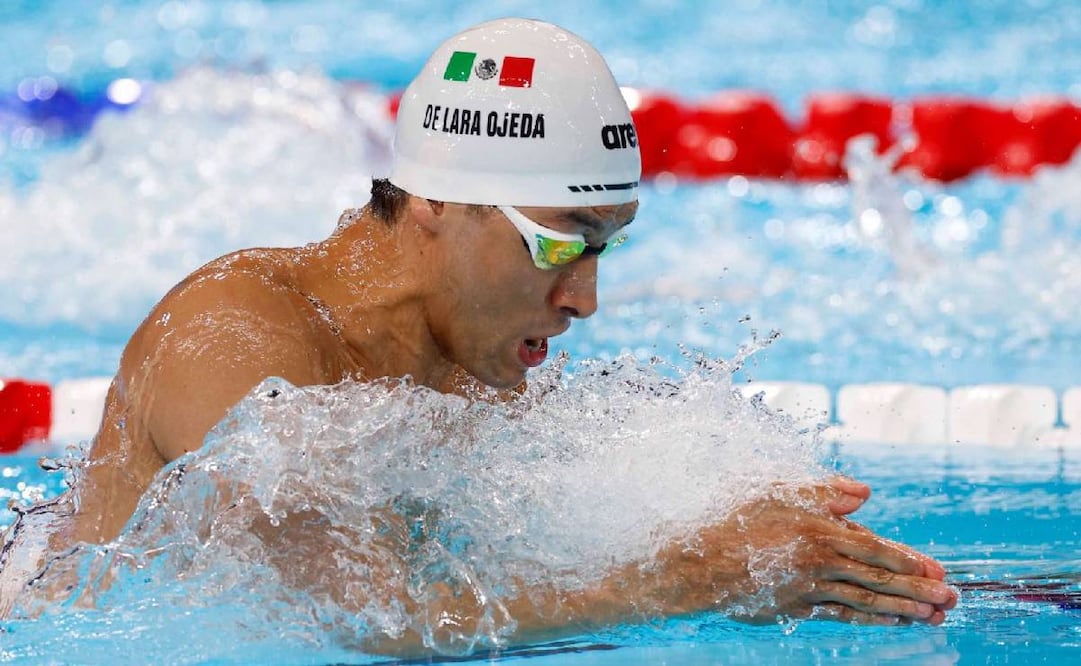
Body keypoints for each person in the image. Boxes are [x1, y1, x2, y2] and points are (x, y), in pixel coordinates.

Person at [0, 17, 956, 652]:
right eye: (560, 244)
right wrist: (691, 573)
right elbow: (358, 617)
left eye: (604, 250)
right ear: (434, 201)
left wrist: (734, 513)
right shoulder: (238, 334)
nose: (583, 300)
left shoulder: (464, 358)